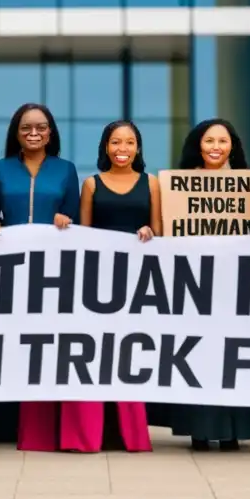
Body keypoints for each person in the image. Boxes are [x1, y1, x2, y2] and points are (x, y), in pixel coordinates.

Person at [167, 118, 250, 451]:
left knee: (236, 354)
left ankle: (234, 429)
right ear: (198, 145)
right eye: (209, 140)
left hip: (238, 286)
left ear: (233, 146)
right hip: (195, 285)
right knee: (198, 354)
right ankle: (199, 428)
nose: (216, 147)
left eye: (223, 141)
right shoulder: (179, 186)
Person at [0, 103, 80, 452]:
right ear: (16, 133)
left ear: (51, 132)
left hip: (55, 273)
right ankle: (19, 426)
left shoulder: (66, 171)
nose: (34, 133)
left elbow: (77, 218)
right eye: (26, 128)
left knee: (49, 347)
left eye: (41, 127)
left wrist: (67, 219)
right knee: (16, 346)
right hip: (12, 271)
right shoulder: (0, 169)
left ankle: (55, 425)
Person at [72, 120, 158, 453]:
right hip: (99, 280)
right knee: (101, 351)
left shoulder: (151, 184)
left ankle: (129, 429)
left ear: (138, 148)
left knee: (129, 353)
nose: (122, 149)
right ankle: (100, 426)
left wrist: (150, 233)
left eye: (129, 142)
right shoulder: (91, 185)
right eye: (115, 142)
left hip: (137, 278)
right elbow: (84, 234)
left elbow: (160, 231)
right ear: (105, 147)